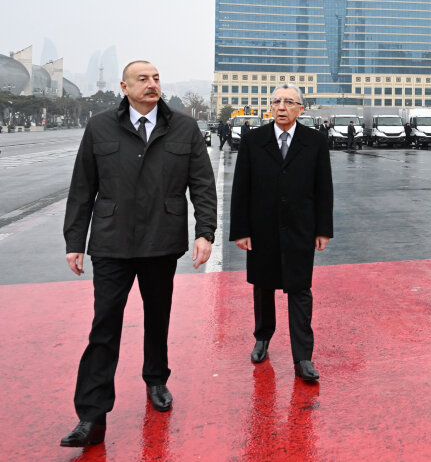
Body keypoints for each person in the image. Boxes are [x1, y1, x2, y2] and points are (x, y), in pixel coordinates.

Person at [60, 61, 216, 448]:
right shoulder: (99, 127)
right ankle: (91, 416)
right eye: (143, 79)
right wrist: (74, 241)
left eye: (156, 78)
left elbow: (202, 184)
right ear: (124, 87)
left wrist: (205, 233)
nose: (152, 84)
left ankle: (156, 379)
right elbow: (83, 187)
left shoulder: (184, 127)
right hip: (111, 243)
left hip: (162, 240)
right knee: (104, 325)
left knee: (157, 316)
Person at [230, 84, 333, 383]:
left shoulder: (314, 141)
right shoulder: (253, 141)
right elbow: (241, 189)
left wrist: (323, 229)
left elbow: (323, 188)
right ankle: (262, 337)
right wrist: (241, 230)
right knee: (263, 286)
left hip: (301, 228)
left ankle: (303, 358)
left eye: (289, 102)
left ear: (301, 108)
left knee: (300, 290)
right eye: (276, 101)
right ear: (270, 107)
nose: (282, 107)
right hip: (261, 228)